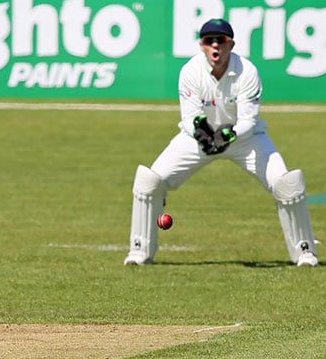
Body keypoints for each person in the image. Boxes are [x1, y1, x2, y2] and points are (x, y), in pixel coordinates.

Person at [124, 18, 318, 267]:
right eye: (209, 41)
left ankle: (305, 253)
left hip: (245, 139)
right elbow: (191, 117)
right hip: (198, 140)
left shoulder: (247, 71)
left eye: (221, 40)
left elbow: (248, 119)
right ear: (201, 45)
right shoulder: (190, 71)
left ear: (231, 44)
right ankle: (140, 252)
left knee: (287, 184)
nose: (215, 46)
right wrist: (205, 135)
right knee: (149, 181)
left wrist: (228, 136)